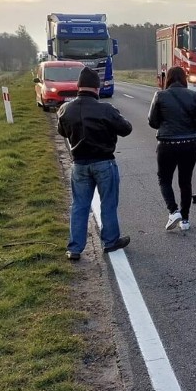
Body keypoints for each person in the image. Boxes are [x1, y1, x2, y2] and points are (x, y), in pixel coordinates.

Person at [58, 66, 133, 260]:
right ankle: (110, 241)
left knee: (79, 205)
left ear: (78, 86)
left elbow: (62, 132)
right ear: (97, 88)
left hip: (79, 164)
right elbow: (126, 129)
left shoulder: (66, 109)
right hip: (104, 162)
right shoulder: (106, 109)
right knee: (108, 203)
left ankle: (75, 248)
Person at [147, 65, 196, 232]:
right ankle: (185, 219)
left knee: (164, 179)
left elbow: (152, 121)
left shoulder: (160, 95)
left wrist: (165, 124)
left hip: (167, 144)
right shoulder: (194, 96)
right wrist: (191, 127)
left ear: (168, 80)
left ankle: (173, 211)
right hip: (189, 143)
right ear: (184, 79)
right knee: (185, 181)